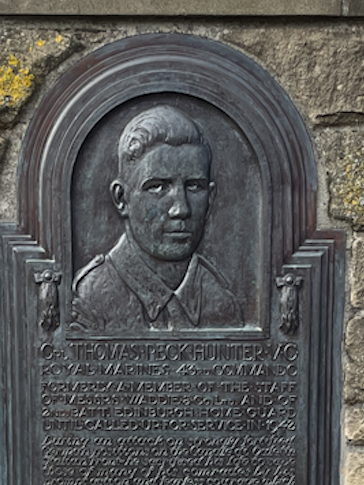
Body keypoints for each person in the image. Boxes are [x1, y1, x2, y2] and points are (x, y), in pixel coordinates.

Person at [71, 105, 245, 333]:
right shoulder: (88, 303)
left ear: (211, 198)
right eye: (158, 187)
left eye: (194, 186)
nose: (181, 209)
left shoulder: (222, 302)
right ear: (121, 198)